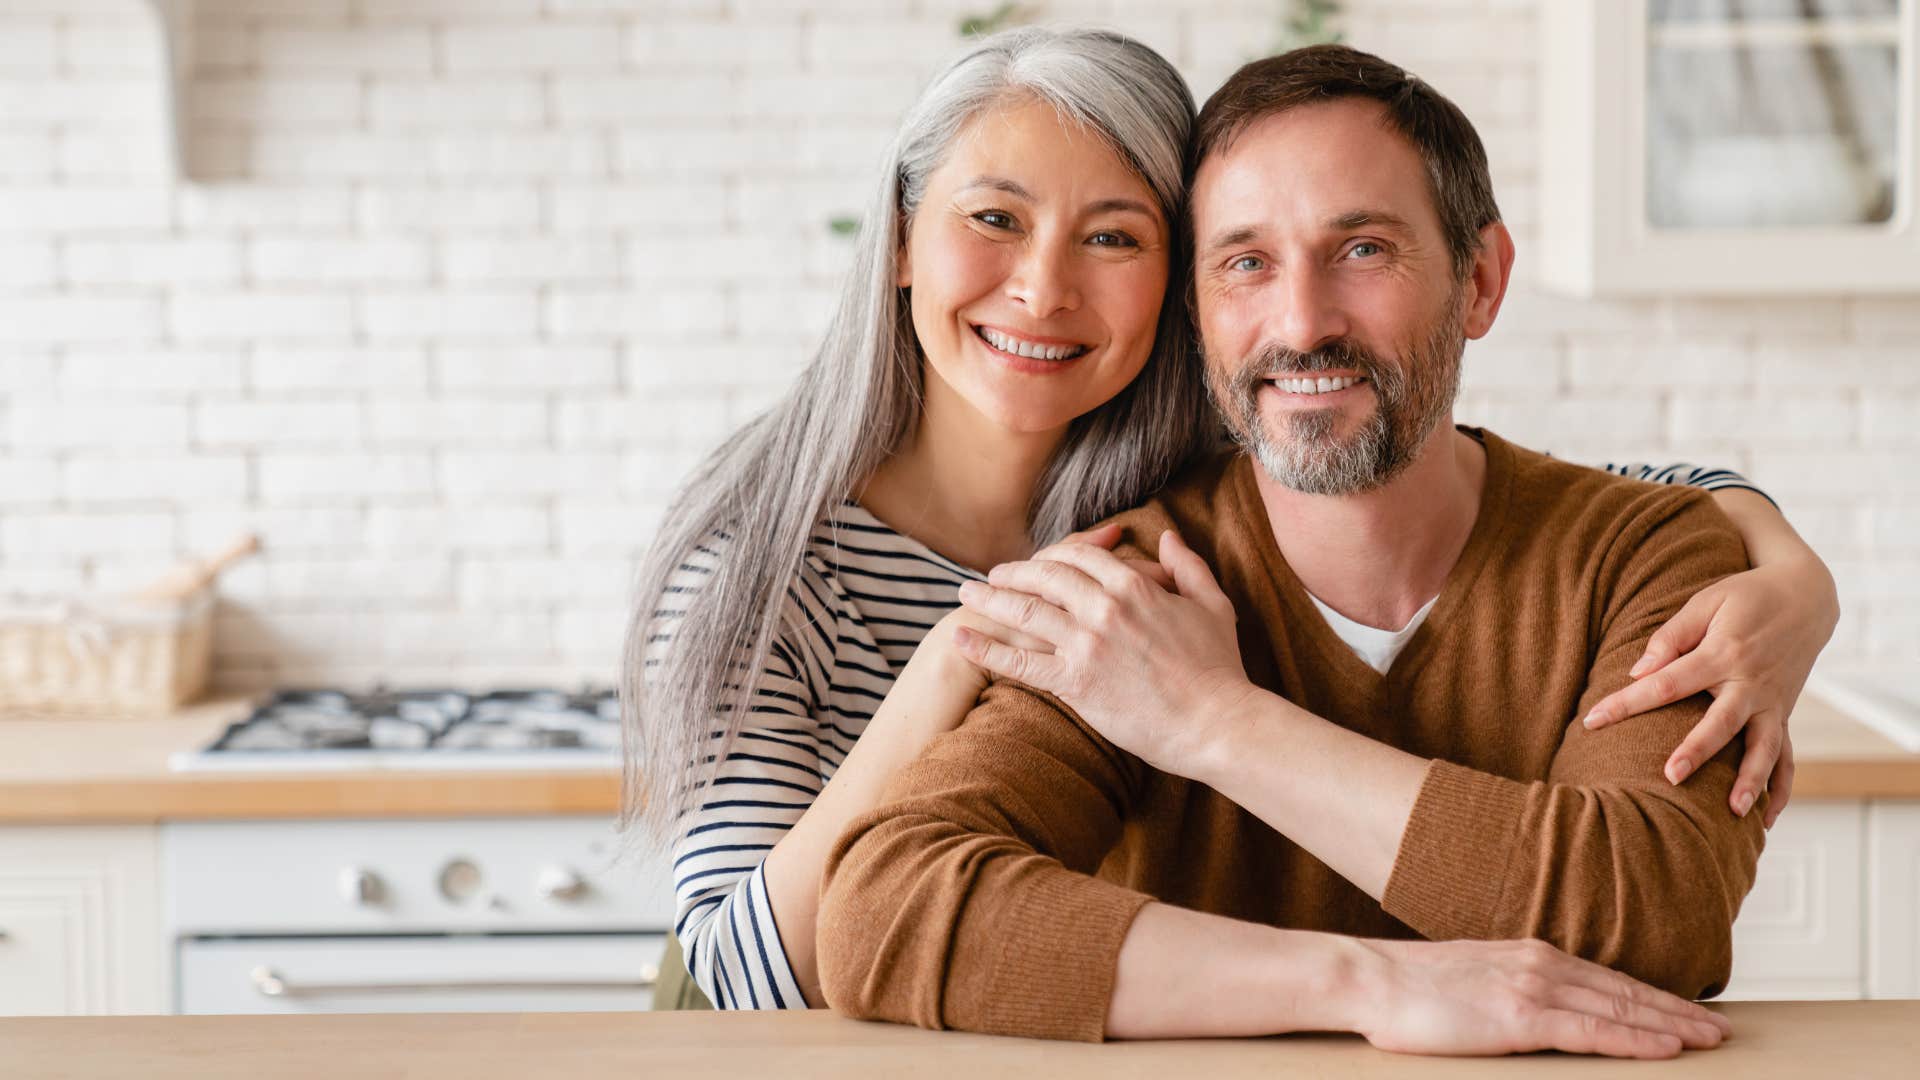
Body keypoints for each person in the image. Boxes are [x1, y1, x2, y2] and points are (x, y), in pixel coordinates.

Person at [622, 30, 1838, 1021]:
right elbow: (800, 950)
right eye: (1248, 260)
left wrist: (1787, 571)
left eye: (1113, 236)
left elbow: (1600, 510)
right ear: (896, 240)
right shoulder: (1061, 585)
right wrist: (963, 652)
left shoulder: (1163, 526)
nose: (1045, 287)